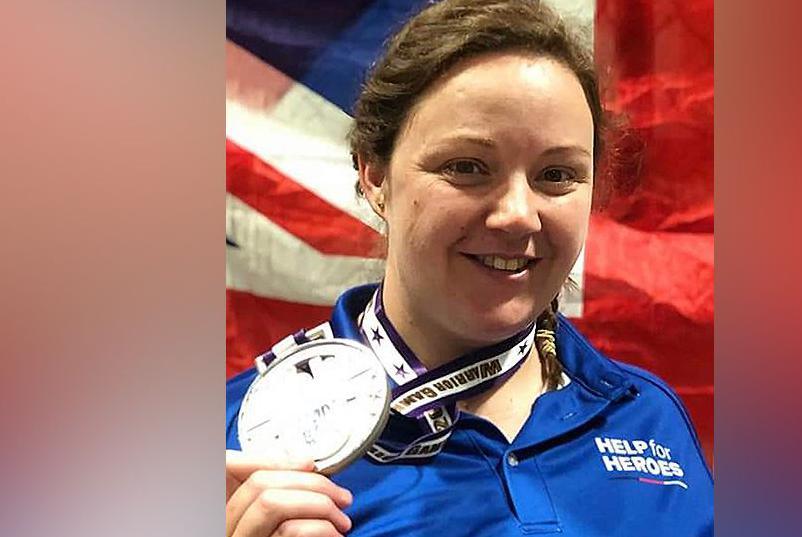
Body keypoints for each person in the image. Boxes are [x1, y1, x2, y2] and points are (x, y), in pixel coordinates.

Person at [226, 1, 714, 535]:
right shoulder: (239, 449)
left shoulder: (645, 415)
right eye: (467, 167)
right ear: (374, 175)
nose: (517, 215)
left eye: (556, 175)